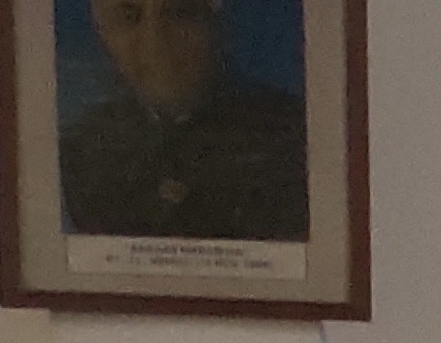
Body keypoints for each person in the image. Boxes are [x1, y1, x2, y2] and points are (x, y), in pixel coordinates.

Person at [59, 0, 310, 243]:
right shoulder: (80, 150)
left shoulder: (293, 140)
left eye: (180, 12)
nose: (155, 44)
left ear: (219, 24)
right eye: (129, 17)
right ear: (102, 29)